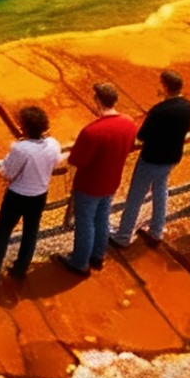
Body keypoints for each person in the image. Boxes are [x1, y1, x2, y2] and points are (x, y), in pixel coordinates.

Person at [62, 82, 136, 274]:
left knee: (85, 222)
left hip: (89, 185)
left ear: (97, 101)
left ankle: (79, 263)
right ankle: (98, 256)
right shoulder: (129, 123)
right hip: (111, 181)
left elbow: (78, 160)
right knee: (102, 218)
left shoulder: (91, 131)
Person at [0, 105, 59, 278]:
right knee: (31, 231)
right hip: (39, 194)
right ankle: (21, 267)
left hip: (18, 195)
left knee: (3, 231)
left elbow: (6, 173)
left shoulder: (21, 149)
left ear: (25, 127)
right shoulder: (53, 144)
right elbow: (55, 163)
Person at [116, 70, 190, 248]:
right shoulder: (188, 106)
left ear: (165, 87)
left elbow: (142, 136)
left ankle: (123, 236)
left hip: (152, 159)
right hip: (172, 158)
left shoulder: (159, 111)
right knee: (161, 192)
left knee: (135, 197)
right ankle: (156, 232)